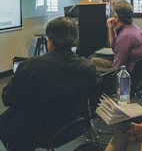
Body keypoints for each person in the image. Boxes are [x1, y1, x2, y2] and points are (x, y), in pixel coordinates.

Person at [0, 17, 98, 151]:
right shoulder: (88, 67)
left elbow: (8, 99)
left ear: (50, 41)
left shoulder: (30, 66)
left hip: (38, 132)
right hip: (75, 125)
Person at [90, 0, 142, 73]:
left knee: (92, 61)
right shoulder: (134, 28)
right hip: (138, 71)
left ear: (116, 16)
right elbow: (114, 48)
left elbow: (117, 67)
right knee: (94, 58)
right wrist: (111, 29)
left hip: (127, 72)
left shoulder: (125, 36)